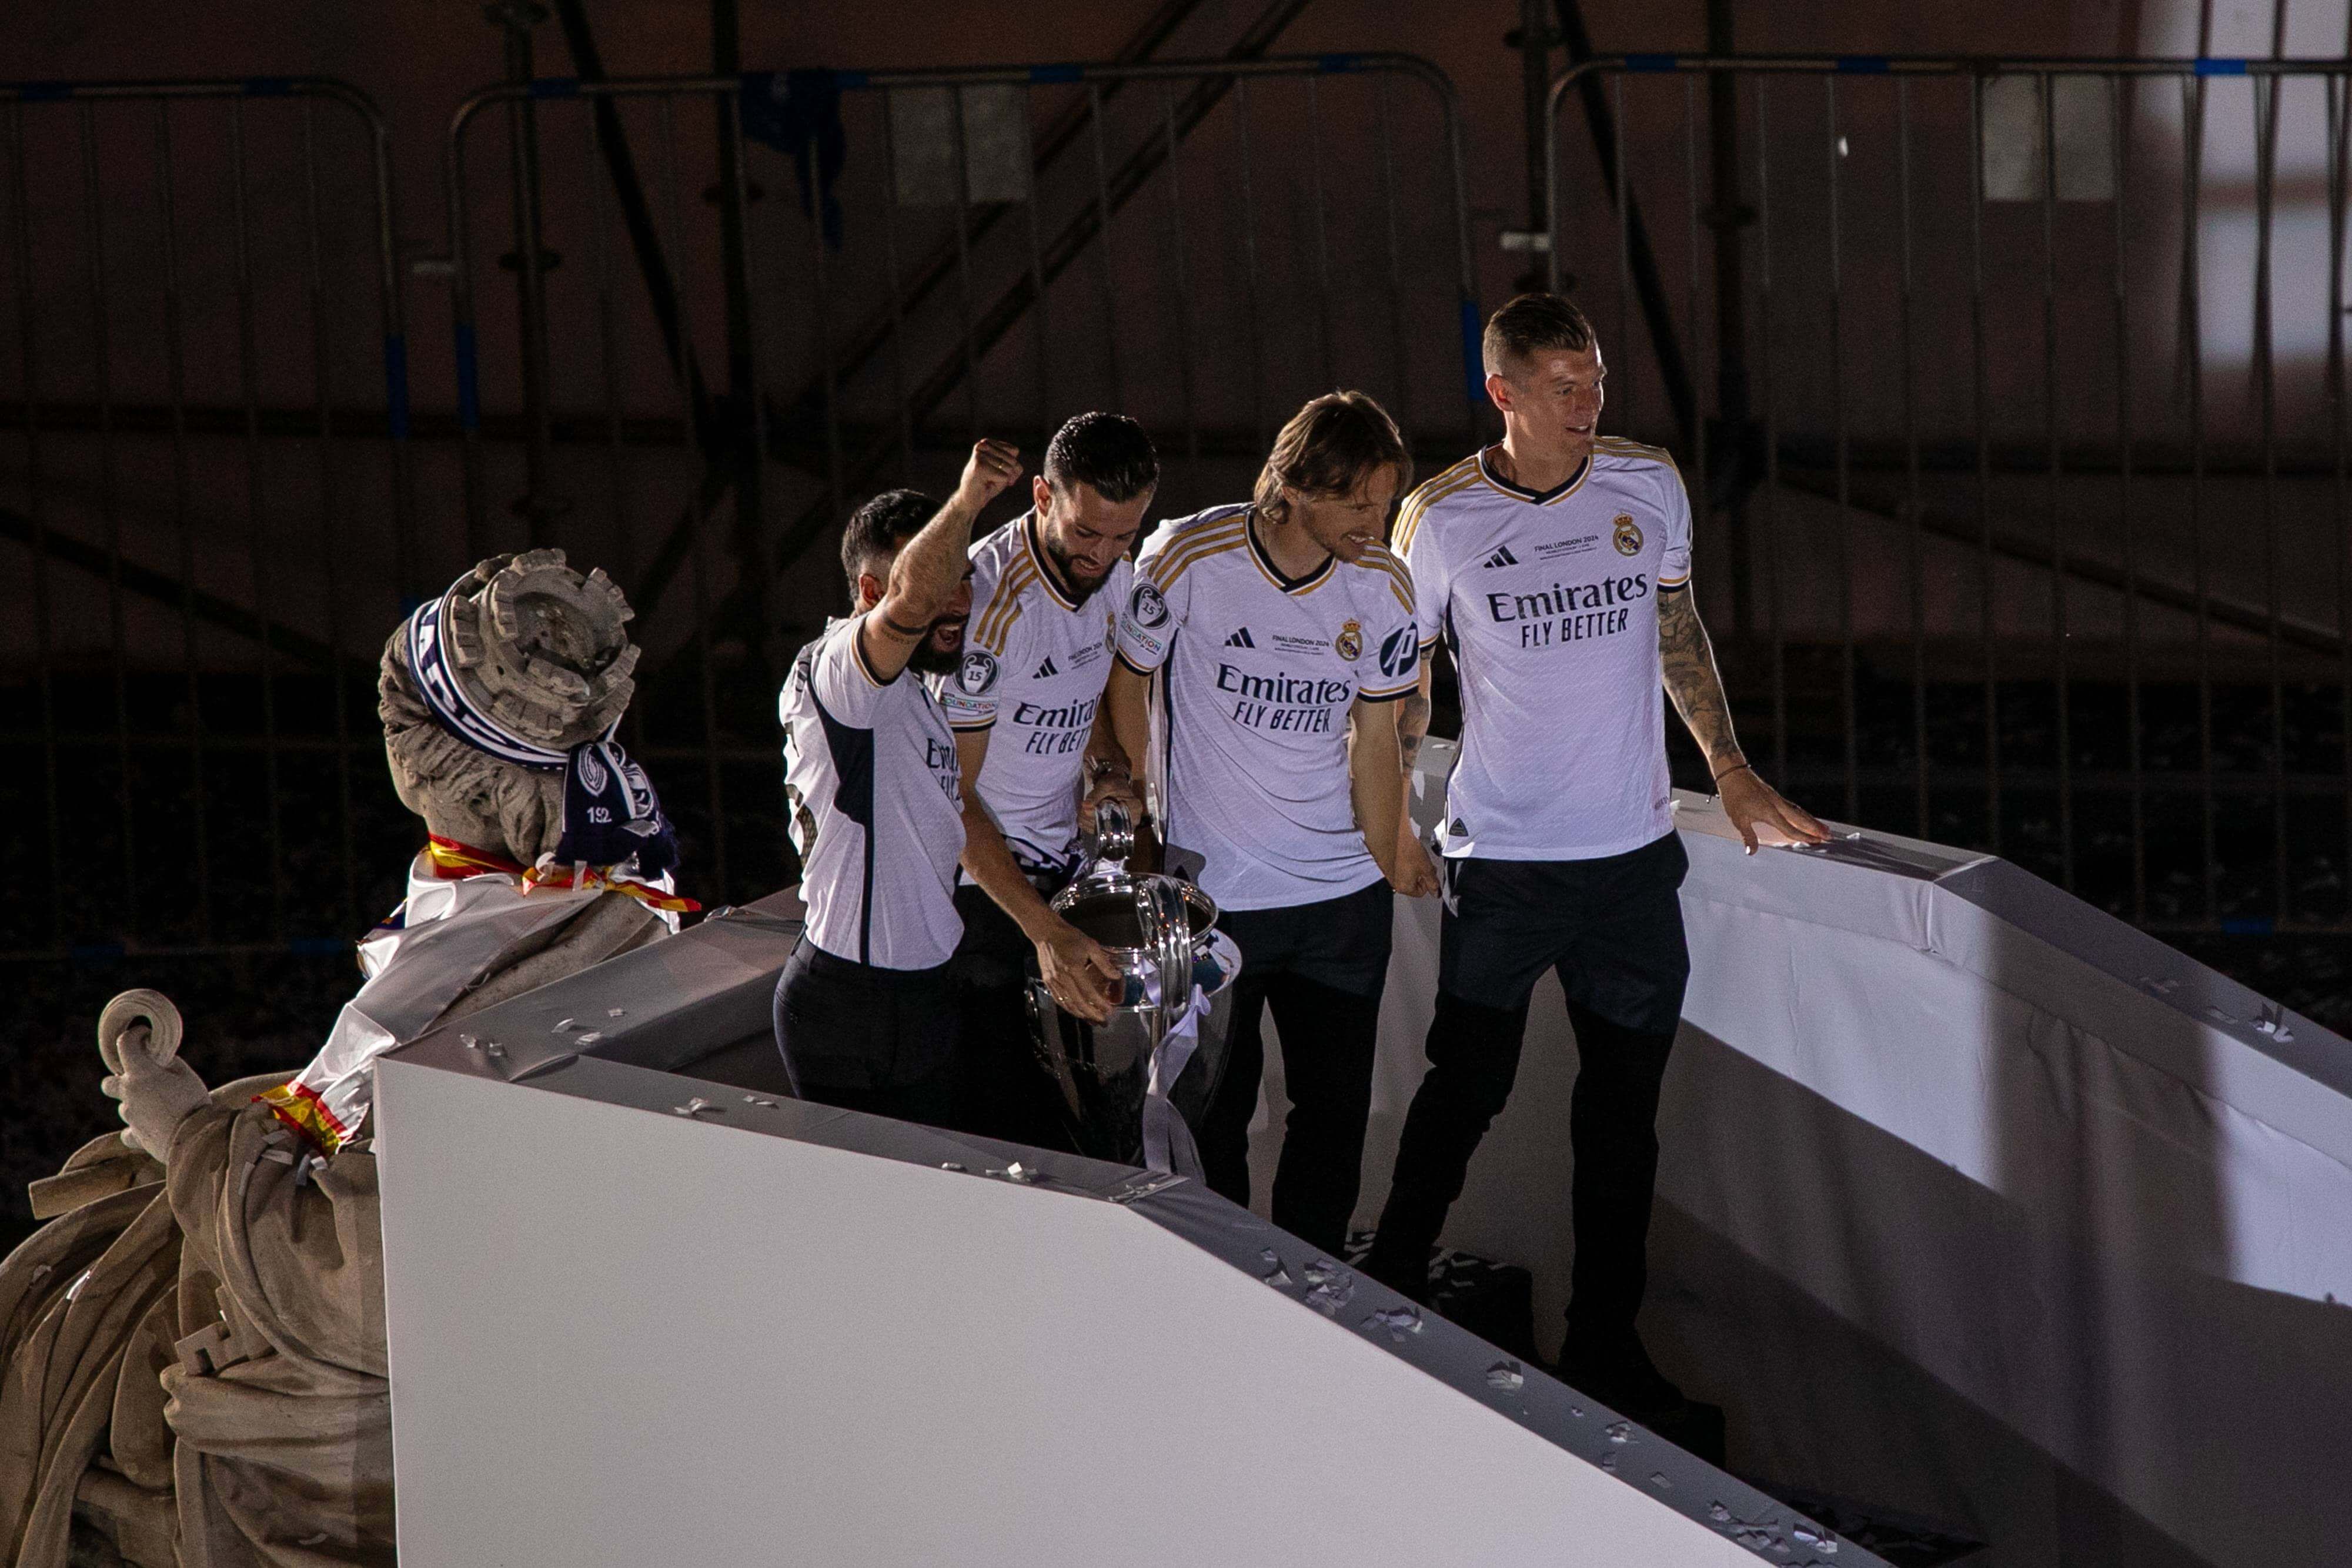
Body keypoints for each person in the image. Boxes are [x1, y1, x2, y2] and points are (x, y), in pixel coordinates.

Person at [1365, 293, 1829, 1420]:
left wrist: (1727, 764)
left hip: (1631, 865)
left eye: (1599, 379)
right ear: (1505, 392)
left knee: (1622, 1119)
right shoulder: (1441, 517)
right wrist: (1389, 816)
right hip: (1507, 862)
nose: (1590, 403)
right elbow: (1406, 678)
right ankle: (1383, 1295)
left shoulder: (1645, 483)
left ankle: (1604, 1346)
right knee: (1466, 1086)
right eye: (1566, 385)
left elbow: (1677, 628)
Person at [1108, 390, 1438, 1256]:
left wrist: (1392, 846)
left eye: (1387, 500)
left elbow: (1378, 737)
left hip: (1339, 902)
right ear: (1293, 489)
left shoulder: (1383, 582)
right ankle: (1223, 1288)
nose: (1378, 519)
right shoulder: (1187, 555)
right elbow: (1127, 684)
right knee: (1212, 1110)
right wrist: (1143, 825)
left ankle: (1313, 1290)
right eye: (1359, 501)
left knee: (1332, 1119)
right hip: (1217, 898)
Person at [773, 442, 1025, 1125]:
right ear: (870, 593)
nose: (958, 598)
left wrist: (1049, 932)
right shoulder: (838, 675)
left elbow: (957, 817)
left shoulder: (915, 695)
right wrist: (969, 500)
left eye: (965, 577)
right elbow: (915, 599)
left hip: (922, 997)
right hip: (852, 1005)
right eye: (940, 578)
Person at [939, 412, 1159, 1146]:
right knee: (1014, 1137)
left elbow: (1086, 687)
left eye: (1124, 535)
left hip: (1061, 869)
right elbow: (950, 798)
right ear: (1040, 496)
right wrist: (1042, 930)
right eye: (1086, 532)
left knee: (1105, 1123)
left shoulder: (1116, 575)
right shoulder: (987, 608)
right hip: (979, 894)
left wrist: (1106, 769)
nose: (1102, 555)